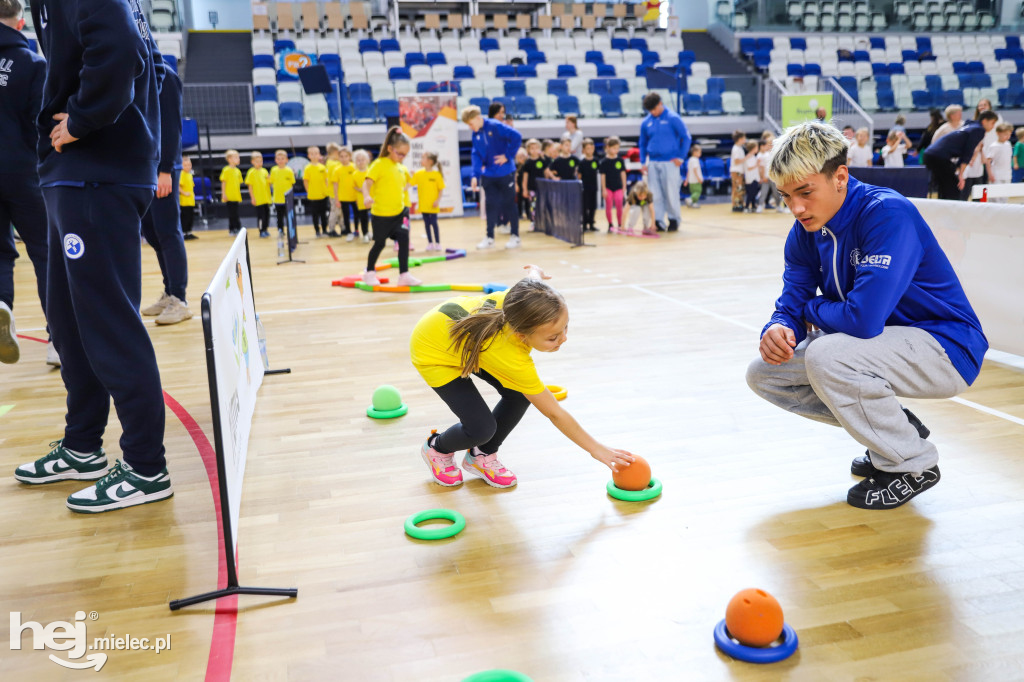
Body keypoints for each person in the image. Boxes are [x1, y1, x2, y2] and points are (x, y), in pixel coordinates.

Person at [746, 121, 988, 510]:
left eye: (805, 193)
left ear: (840, 176)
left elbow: (862, 320)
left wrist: (809, 310)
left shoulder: (886, 213)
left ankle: (913, 464)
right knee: (765, 373)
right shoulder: (805, 231)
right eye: (786, 196)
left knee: (828, 355)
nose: (796, 208)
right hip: (879, 348)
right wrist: (778, 326)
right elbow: (791, 301)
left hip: (946, 347)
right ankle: (895, 433)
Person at [16, 0, 173, 512]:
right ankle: (83, 446)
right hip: (78, 173)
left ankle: (147, 466)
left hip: (97, 173)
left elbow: (122, 49)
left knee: (108, 323)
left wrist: (82, 118)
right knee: (67, 320)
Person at [412, 265, 636, 488]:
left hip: (470, 340)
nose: (564, 339)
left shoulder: (523, 299)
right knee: (481, 429)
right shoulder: (511, 356)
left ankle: (481, 455)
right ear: (521, 335)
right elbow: (554, 412)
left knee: (519, 394)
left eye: (566, 327)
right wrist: (596, 449)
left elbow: (532, 282)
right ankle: (436, 448)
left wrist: (536, 271)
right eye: (553, 337)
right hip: (434, 351)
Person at [0, 0, 50, 366]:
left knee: (1, 252)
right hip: (22, 168)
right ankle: (59, 339)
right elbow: (40, 123)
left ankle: (2, 306)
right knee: (45, 251)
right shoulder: (33, 62)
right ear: (20, 21)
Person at [140, 68, 192, 326]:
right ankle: (169, 291)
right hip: (143, 168)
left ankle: (180, 300)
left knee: (168, 231)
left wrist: (165, 170)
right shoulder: (137, 71)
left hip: (163, 169)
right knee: (152, 232)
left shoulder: (165, 76)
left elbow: (172, 126)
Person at [362, 127, 420, 286]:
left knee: (404, 240)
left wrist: (412, 178)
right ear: (389, 148)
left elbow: (404, 185)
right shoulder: (379, 164)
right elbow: (366, 184)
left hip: (400, 212)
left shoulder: (401, 167)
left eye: (405, 155)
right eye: (399, 153)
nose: (402, 157)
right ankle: (369, 272)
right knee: (379, 243)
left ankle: (404, 274)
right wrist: (367, 196)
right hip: (381, 214)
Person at [463, 105, 522, 250]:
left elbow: (517, 137)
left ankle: (515, 236)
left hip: (505, 172)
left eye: (471, 124)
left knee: (509, 204)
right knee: (491, 205)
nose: (470, 127)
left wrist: (507, 156)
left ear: (477, 118)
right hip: (489, 174)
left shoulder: (495, 126)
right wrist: (475, 175)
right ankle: (489, 238)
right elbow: (476, 153)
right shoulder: (475, 134)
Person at [639, 92, 690, 232]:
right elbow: (642, 143)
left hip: (670, 162)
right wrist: (643, 162)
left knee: (671, 192)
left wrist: (681, 157)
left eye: (654, 109)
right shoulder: (646, 122)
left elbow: (686, 137)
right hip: (653, 161)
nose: (653, 113)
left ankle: (674, 219)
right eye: (650, 111)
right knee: (655, 194)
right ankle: (658, 221)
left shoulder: (673, 118)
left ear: (660, 104)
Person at [921, 110, 998, 200]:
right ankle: (951, 212)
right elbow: (968, 152)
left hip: (930, 155)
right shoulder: (979, 130)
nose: (993, 127)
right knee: (954, 189)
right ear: (984, 121)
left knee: (945, 187)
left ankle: (943, 210)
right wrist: (961, 175)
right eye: (992, 123)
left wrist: (959, 171)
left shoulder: (970, 125)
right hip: (938, 157)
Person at [412, 151, 445, 251]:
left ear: (430, 161)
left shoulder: (436, 175)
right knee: (426, 224)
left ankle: (438, 243)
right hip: (423, 204)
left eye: (423, 158)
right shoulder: (419, 173)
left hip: (433, 205)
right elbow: (411, 183)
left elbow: (441, 189)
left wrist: (437, 200)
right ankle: (430, 243)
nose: (421, 160)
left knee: (434, 223)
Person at [599, 136, 627, 231]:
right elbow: (602, 176)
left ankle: (620, 223)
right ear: (608, 147)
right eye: (614, 148)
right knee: (609, 206)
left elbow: (623, 173)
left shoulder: (620, 160)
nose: (616, 150)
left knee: (619, 204)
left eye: (617, 148)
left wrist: (624, 186)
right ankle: (610, 224)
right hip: (608, 188)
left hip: (618, 187)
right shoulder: (604, 162)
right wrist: (603, 189)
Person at [303, 145, 331, 237]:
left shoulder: (322, 168)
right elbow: (306, 181)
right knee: (315, 215)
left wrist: (327, 191)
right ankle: (317, 231)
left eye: (316, 153)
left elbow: (326, 180)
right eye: (312, 154)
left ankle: (324, 230)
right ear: (308, 156)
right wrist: (308, 191)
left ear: (319, 155)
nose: (314, 156)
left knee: (324, 215)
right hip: (313, 196)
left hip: (323, 195)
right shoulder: (307, 168)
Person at [330, 145, 357, 239]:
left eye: (346, 156)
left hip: (355, 196)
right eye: (341, 156)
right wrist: (337, 199)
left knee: (357, 215)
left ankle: (357, 231)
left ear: (350, 156)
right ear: (338, 157)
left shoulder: (354, 167)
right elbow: (335, 186)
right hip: (343, 197)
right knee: (346, 216)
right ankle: (349, 232)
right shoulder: (337, 170)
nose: (344, 158)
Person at [982, 122, 1014, 201]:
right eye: (1005, 134)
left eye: (1009, 134)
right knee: (996, 197)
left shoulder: (1008, 144)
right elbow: (988, 161)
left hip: (1007, 174)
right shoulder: (994, 146)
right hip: (996, 174)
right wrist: (990, 174)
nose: (1008, 136)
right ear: (998, 133)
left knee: (1005, 196)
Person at [244, 151, 271, 238]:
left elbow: (269, 183)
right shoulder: (251, 172)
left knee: (267, 214)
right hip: (258, 199)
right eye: (257, 161)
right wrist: (252, 198)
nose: (259, 163)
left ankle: (266, 229)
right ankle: (261, 230)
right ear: (252, 162)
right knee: (261, 216)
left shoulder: (264, 171)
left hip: (266, 198)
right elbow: (250, 186)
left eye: (261, 161)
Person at [520, 138, 546, 228]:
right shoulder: (527, 163)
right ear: (528, 150)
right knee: (533, 205)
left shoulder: (543, 161)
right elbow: (525, 178)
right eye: (532, 148)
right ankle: (533, 221)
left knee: (543, 205)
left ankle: (542, 221)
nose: (534, 150)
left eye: (536, 148)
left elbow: (546, 173)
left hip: (542, 188)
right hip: (532, 188)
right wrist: (524, 189)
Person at [269, 149, 296, 235]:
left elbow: (292, 183)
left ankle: (290, 230)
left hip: (287, 199)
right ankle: (280, 229)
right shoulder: (273, 170)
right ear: (275, 160)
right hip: (277, 198)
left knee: (288, 216)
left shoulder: (289, 171)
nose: (280, 161)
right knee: (279, 216)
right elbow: (270, 182)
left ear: (286, 160)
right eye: (278, 159)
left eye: (282, 158)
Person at [323, 142, 345, 236]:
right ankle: (331, 229)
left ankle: (343, 228)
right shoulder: (334, 164)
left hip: (333, 191)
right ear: (336, 152)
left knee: (339, 211)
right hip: (334, 192)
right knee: (335, 211)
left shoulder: (329, 162)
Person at [220, 149, 243, 234]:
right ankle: (233, 228)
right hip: (229, 196)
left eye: (238, 157)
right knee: (232, 213)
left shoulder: (238, 171)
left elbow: (238, 183)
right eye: (236, 157)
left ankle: (236, 228)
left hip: (235, 195)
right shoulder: (226, 170)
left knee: (236, 212)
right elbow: (223, 182)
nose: (238, 159)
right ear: (229, 159)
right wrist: (224, 194)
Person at [579, 138, 600, 230]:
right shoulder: (582, 162)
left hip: (593, 187)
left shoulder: (596, 160)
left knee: (593, 206)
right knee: (584, 206)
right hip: (584, 188)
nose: (590, 150)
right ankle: (584, 224)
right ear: (583, 150)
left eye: (591, 148)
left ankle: (591, 223)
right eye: (587, 148)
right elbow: (579, 175)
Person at [350, 149, 371, 243]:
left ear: (367, 160)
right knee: (363, 218)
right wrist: (361, 190)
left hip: (372, 199)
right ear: (355, 162)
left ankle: (374, 234)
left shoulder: (371, 172)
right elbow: (354, 186)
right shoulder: (355, 174)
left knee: (375, 218)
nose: (361, 161)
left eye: (363, 159)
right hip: (361, 200)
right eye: (358, 160)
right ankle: (365, 234)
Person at [179, 155, 197, 241]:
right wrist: (184, 193)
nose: (188, 167)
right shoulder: (181, 174)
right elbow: (178, 186)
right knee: (185, 216)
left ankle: (189, 232)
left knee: (190, 216)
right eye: (185, 165)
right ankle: (184, 232)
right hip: (184, 200)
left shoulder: (189, 175)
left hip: (190, 200)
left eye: (189, 165)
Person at [729, 130, 747, 212]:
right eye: (744, 138)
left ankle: (739, 204)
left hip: (739, 171)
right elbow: (736, 161)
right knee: (737, 189)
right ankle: (736, 205)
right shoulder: (736, 148)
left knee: (739, 188)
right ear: (740, 139)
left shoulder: (739, 148)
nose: (745, 139)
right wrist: (746, 158)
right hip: (736, 171)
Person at [743, 140, 761, 213]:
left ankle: (753, 206)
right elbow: (749, 168)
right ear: (753, 148)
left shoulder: (753, 156)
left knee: (754, 193)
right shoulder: (748, 157)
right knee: (750, 194)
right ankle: (746, 206)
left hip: (755, 177)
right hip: (751, 178)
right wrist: (757, 164)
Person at [683, 144, 703, 209]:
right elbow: (695, 170)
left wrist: (686, 180)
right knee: (698, 192)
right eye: (699, 152)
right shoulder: (695, 160)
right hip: (695, 180)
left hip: (691, 180)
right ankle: (690, 200)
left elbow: (688, 171)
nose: (700, 154)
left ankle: (693, 203)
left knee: (693, 192)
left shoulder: (690, 160)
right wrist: (698, 178)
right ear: (694, 152)